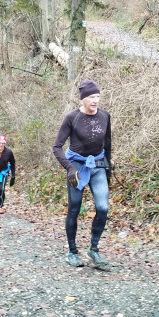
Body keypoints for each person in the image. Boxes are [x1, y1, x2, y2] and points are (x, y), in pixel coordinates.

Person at [52, 79, 112, 267]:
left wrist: (108, 170)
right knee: (75, 208)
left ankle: (94, 249)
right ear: (83, 99)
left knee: (103, 207)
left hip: (98, 165)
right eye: (91, 97)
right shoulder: (72, 117)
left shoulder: (105, 116)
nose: (95, 100)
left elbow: (108, 144)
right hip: (76, 166)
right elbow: (56, 147)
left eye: (98, 96)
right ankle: (72, 252)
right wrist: (69, 168)